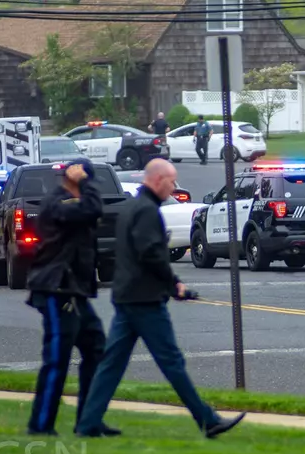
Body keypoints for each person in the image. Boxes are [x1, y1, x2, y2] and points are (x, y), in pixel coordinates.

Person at [74, 158, 245, 439]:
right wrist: (174, 284)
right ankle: (208, 420)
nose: (174, 187)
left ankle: (89, 422)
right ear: (156, 180)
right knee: (171, 362)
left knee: (111, 364)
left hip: (127, 297)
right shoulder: (147, 212)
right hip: (145, 301)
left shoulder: (130, 207)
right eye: (171, 181)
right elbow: (151, 254)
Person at [25, 158, 119, 437]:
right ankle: (40, 426)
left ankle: (88, 420)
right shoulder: (59, 202)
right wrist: (84, 183)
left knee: (96, 348)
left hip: (73, 291)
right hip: (57, 290)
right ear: (73, 179)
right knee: (57, 359)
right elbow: (92, 209)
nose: (89, 189)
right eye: (85, 183)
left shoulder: (75, 202)